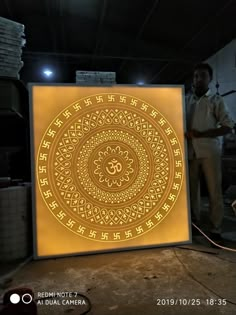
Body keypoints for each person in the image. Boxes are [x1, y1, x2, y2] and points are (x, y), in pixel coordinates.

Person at [185, 63, 235, 243]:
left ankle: (216, 228)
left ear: (210, 79)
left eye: (203, 76)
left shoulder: (216, 100)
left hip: (210, 152)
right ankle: (194, 222)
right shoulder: (185, 100)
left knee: (214, 190)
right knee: (192, 191)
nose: (199, 79)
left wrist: (202, 134)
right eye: (196, 76)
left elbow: (227, 127)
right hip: (190, 152)